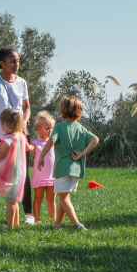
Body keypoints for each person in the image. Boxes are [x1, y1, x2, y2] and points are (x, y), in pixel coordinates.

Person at [0, 47, 35, 225]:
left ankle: (28, 214)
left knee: (22, 174)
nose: (17, 64)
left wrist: (25, 121)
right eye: (13, 61)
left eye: (18, 61)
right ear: (2, 63)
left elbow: (26, 108)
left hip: (20, 137)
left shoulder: (22, 83)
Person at [38, 97, 99, 231]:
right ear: (79, 112)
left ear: (62, 111)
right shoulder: (81, 129)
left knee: (64, 198)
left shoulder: (59, 127)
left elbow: (51, 141)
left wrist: (41, 156)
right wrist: (82, 153)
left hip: (62, 168)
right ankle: (56, 225)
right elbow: (95, 139)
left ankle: (76, 223)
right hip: (76, 169)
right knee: (64, 197)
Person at [0, 109, 34, 228]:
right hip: (21, 173)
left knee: (10, 201)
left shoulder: (8, 139)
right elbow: (29, 148)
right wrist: (35, 145)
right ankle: (15, 224)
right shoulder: (21, 136)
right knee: (14, 201)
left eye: (1, 124)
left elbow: (0, 155)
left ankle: (10, 226)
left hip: (11, 174)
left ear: (5, 123)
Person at [30, 111, 56, 224]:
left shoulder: (54, 142)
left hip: (52, 176)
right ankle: (37, 219)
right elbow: (29, 148)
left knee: (51, 199)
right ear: (38, 128)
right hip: (39, 176)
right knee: (38, 198)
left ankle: (53, 220)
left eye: (51, 128)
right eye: (47, 128)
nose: (50, 131)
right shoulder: (35, 142)